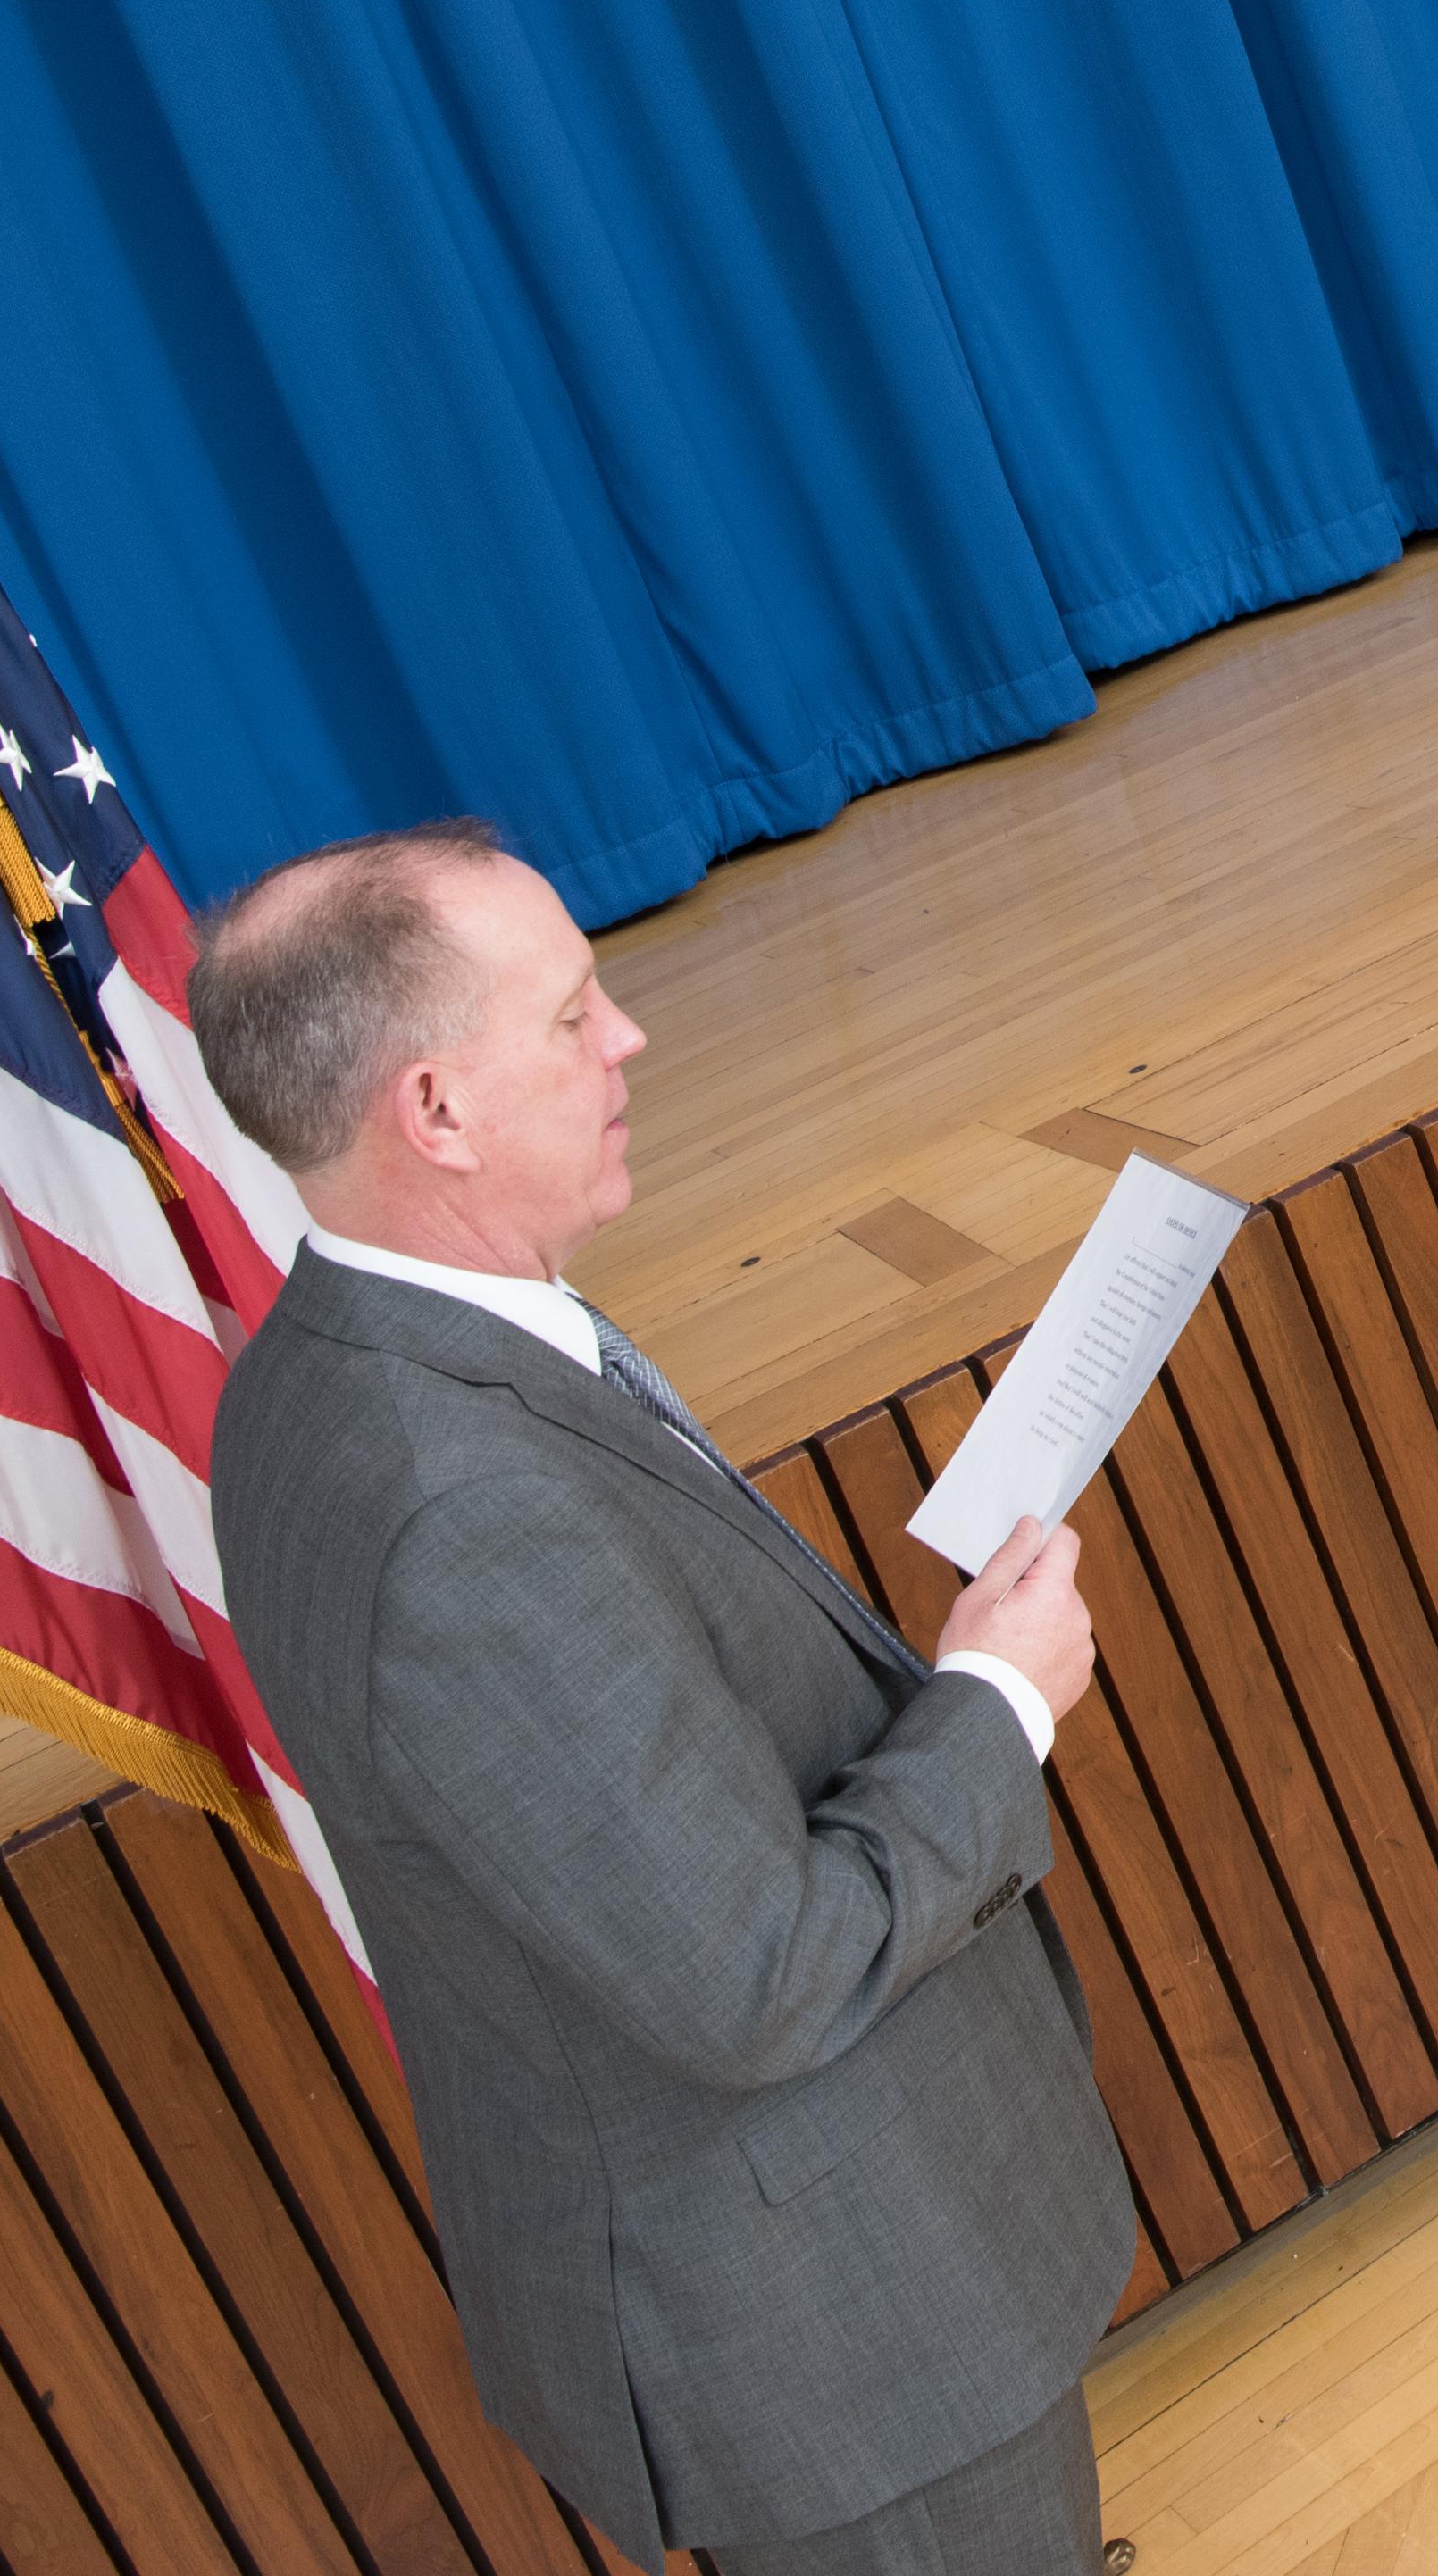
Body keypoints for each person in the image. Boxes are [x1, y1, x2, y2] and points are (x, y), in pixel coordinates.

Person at [200, 826, 1137, 2576]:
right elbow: (755, 1975)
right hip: (836, 2330)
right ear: (437, 1113)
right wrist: (995, 1700)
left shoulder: (326, 1372)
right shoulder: (454, 1507)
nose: (626, 1037)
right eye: (571, 1017)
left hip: (814, 2274)